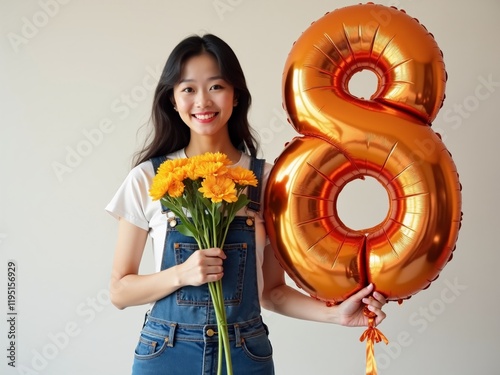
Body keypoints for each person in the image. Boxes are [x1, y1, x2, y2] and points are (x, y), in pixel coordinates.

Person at [106, 33, 386, 375]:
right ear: (173, 100)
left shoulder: (268, 181)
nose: (203, 102)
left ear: (236, 96)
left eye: (216, 86)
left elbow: (272, 293)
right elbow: (120, 291)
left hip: (245, 355)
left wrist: (336, 313)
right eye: (188, 89)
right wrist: (182, 273)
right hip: (167, 353)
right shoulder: (149, 178)